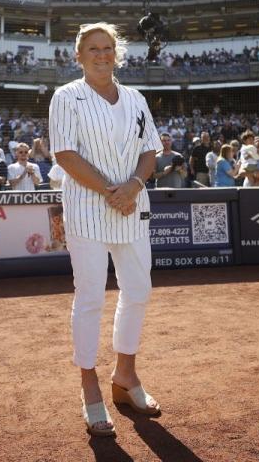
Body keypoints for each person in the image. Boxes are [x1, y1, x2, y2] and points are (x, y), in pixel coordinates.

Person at [49, 22, 163, 438]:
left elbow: (150, 148)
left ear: (118, 53)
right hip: (87, 209)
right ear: (79, 56)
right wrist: (112, 190)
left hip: (133, 205)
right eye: (93, 49)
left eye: (108, 47)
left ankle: (125, 376)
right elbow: (64, 154)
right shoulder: (66, 97)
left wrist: (132, 186)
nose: (101, 54)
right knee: (91, 297)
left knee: (138, 290)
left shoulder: (135, 97)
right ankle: (89, 388)